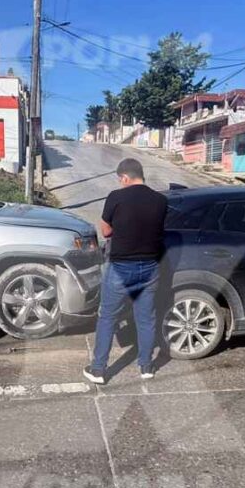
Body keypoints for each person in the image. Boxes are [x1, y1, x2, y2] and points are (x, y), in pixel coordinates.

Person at [83, 158, 167, 384]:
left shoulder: (116, 197)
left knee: (107, 317)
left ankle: (98, 370)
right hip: (150, 267)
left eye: (120, 180)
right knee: (146, 319)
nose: (120, 183)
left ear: (125, 177)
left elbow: (106, 231)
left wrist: (121, 228)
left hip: (121, 267)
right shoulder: (161, 200)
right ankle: (146, 367)